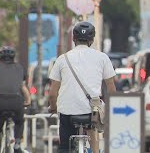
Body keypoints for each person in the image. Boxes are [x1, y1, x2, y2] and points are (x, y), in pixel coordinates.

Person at [48, 21, 116, 153]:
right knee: (93, 127)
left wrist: (53, 106)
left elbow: (52, 94)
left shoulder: (62, 59)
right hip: (91, 112)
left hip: (67, 112)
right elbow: (112, 89)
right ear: (92, 39)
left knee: (64, 148)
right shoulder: (102, 58)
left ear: (73, 38)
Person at [0, 46, 31, 153]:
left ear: (0, 57)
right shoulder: (20, 68)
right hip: (16, 102)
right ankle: (17, 143)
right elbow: (23, 87)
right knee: (19, 122)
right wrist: (28, 101)